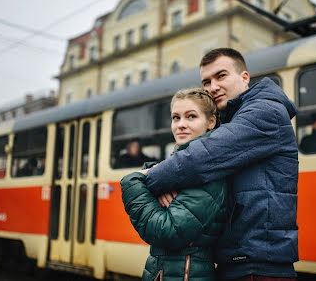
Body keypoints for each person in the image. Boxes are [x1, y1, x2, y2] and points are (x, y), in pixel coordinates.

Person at [142, 48, 299, 280]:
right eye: (206, 81)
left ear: (244, 77)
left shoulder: (265, 111)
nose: (212, 87)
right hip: (241, 258)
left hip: (257, 264)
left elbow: (199, 159)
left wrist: (147, 178)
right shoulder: (233, 118)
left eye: (221, 76)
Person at [121, 88, 227, 281]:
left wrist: (133, 184)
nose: (181, 125)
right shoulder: (178, 167)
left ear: (211, 122)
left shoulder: (210, 171)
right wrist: (158, 183)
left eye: (191, 116)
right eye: (176, 118)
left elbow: (167, 231)